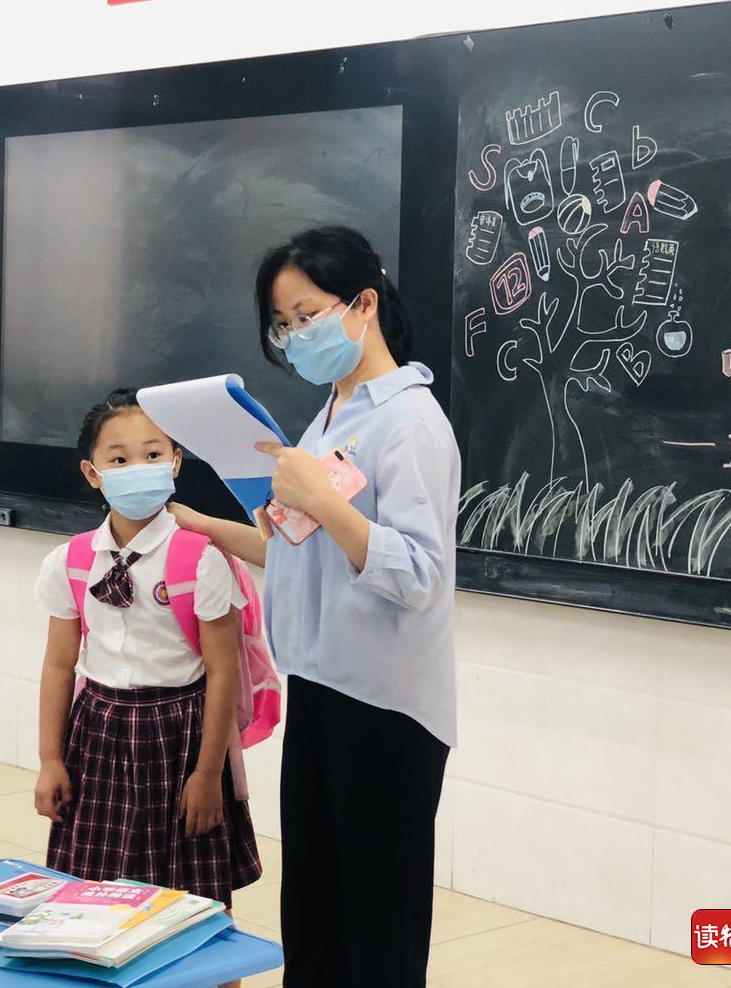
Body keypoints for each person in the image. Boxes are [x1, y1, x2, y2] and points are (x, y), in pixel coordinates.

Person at [173, 225, 458, 986]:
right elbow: (306, 559)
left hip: (386, 706)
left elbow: (419, 573)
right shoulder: (328, 418)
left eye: (307, 315)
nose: (296, 337)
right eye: (283, 325)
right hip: (322, 684)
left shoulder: (409, 421)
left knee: (377, 926)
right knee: (315, 914)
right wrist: (212, 527)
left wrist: (322, 503)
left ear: (363, 304)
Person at [32, 388, 263, 915]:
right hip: (98, 732)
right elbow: (58, 664)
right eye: (119, 459)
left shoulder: (200, 558)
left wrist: (207, 774)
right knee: (92, 895)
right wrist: (50, 759)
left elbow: (222, 672)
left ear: (176, 462)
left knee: (193, 901)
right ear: (93, 473)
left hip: (179, 736)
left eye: (153, 454)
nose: (138, 467)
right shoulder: (69, 561)